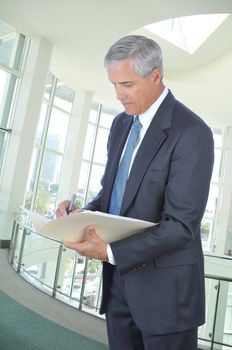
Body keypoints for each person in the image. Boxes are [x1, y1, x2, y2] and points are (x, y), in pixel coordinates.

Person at [56, 35, 214, 350]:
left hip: (167, 297)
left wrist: (111, 252)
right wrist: (80, 215)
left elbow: (181, 226)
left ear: (155, 75)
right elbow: (113, 194)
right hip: (118, 286)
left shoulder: (192, 133)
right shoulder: (120, 125)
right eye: (113, 84)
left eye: (126, 84)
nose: (118, 95)